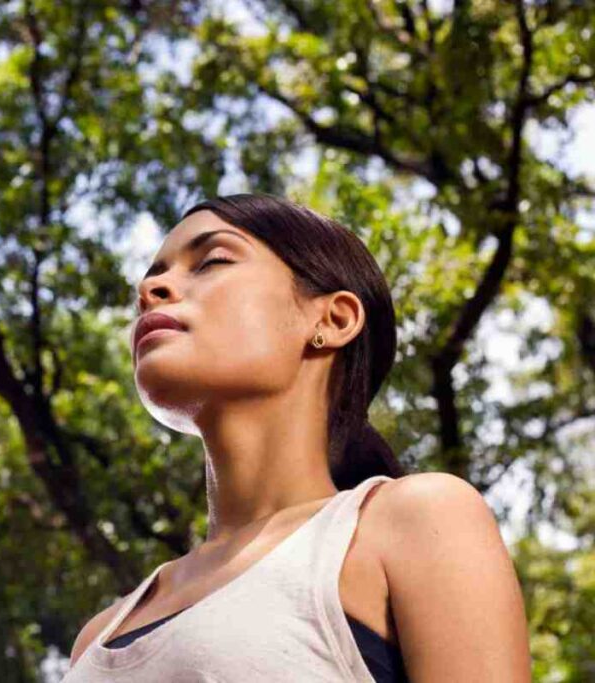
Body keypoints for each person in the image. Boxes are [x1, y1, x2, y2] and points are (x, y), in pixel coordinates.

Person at [61, 193, 531, 682]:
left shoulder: (414, 520)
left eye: (212, 261)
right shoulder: (97, 638)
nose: (151, 287)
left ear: (333, 319)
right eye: (154, 272)